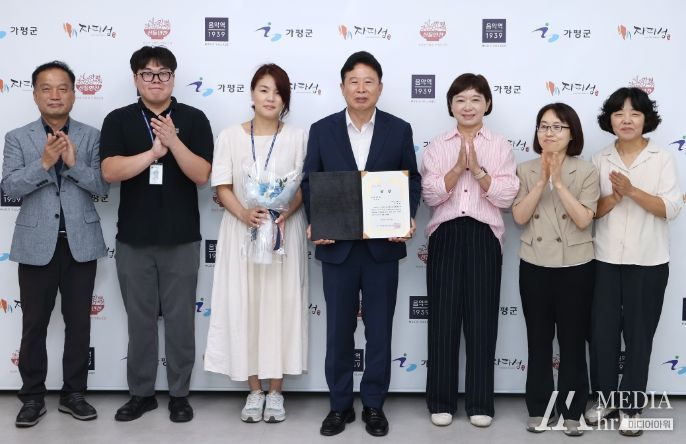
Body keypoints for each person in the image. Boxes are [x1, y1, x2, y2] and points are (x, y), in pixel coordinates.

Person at [302, 51, 421, 437]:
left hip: (382, 249)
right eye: (353, 81)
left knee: (379, 332)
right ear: (342, 87)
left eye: (369, 81)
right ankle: (339, 406)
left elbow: (411, 180)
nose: (361, 88)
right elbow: (310, 182)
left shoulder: (398, 129)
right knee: (338, 331)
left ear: (380, 88)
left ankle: (373, 405)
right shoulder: (322, 130)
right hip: (336, 247)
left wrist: (406, 217)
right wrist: (316, 222)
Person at [99, 46, 214, 423]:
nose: (156, 80)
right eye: (147, 74)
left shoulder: (194, 119)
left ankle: (180, 394)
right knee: (140, 322)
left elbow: (202, 175)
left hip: (182, 239)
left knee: (181, 322)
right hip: (133, 240)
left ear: (173, 78)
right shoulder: (118, 119)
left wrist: (174, 142)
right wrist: (153, 152)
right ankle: (142, 394)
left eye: (163, 73)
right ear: (136, 79)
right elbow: (110, 171)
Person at [1, 61, 108, 427]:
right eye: (46, 88)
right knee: (34, 324)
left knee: (79, 323)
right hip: (36, 244)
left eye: (62, 88)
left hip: (80, 243)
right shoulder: (17, 137)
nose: (55, 95)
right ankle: (32, 396)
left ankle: (74, 394)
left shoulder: (91, 136)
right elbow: (9, 186)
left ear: (74, 94)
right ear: (35, 95)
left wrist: (74, 165)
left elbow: (103, 186)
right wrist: (44, 163)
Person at [204, 63, 308, 423]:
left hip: (282, 231)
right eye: (264, 90)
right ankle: (253, 390)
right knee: (244, 305)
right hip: (241, 231)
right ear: (252, 93)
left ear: (286, 100)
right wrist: (245, 214)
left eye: (278, 92)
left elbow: (303, 187)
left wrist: (284, 212)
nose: (270, 98)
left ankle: (276, 391)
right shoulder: (230, 136)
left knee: (281, 306)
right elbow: (222, 185)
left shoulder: (298, 137)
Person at [420, 73, 518, 428]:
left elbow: (506, 197)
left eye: (475, 99)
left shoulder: (500, 145)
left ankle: (480, 402)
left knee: (482, 321)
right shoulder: (437, 145)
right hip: (445, 234)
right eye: (460, 99)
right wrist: (456, 168)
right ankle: (441, 400)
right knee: (443, 320)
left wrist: (476, 170)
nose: (468, 106)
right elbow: (429, 195)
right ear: (450, 105)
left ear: (487, 104)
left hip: (483, 235)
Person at [585, 87, 682, 436]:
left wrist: (632, 191)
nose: (626, 120)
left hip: (648, 261)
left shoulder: (662, 158)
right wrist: (614, 198)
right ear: (609, 120)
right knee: (601, 335)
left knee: (639, 337)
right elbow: (590, 212)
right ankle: (605, 398)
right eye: (619, 113)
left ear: (646, 119)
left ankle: (631, 406)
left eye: (634, 113)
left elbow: (670, 208)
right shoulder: (599, 159)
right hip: (604, 259)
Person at [512, 103, 599, 435]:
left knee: (573, 341)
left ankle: (573, 409)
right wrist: (541, 182)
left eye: (557, 127)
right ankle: (540, 407)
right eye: (543, 126)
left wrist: (559, 183)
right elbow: (520, 217)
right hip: (535, 264)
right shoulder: (525, 169)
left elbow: (583, 220)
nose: (549, 133)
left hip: (575, 266)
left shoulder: (586, 171)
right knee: (538, 340)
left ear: (572, 133)